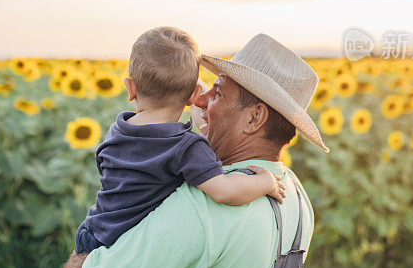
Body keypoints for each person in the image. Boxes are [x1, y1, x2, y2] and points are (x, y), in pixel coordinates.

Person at [60, 33, 330, 268]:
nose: (199, 101)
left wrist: (83, 256)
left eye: (218, 93)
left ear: (254, 118)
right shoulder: (295, 196)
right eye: (200, 91)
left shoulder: (202, 208)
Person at [73, 26, 286, 255]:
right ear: (195, 96)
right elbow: (225, 192)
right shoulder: (186, 148)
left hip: (92, 232)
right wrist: (267, 183)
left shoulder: (117, 131)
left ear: (131, 88)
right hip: (122, 245)